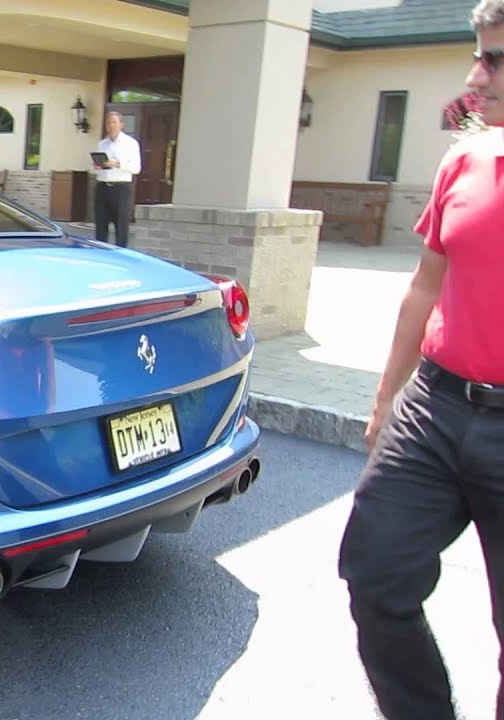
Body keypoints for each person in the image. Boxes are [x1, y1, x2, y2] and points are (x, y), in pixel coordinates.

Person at [338, 2, 504, 717]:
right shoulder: (464, 158)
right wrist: (385, 401)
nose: (476, 74)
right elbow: (425, 286)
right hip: (435, 407)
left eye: (495, 58)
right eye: (478, 54)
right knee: (374, 578)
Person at [92, 111, 141, 247]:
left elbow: (136, 168)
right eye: (108, 123)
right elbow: (95, 167)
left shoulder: (130, 143)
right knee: (101, 224)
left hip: (121, 188)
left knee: (121, 225)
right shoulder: (102, 144)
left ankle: (121, 254)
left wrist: (116, 163)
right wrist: (97, 166)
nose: (111, 125)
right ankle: (100, 252)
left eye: (114, 122)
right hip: (102, 186)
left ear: (121, 124)